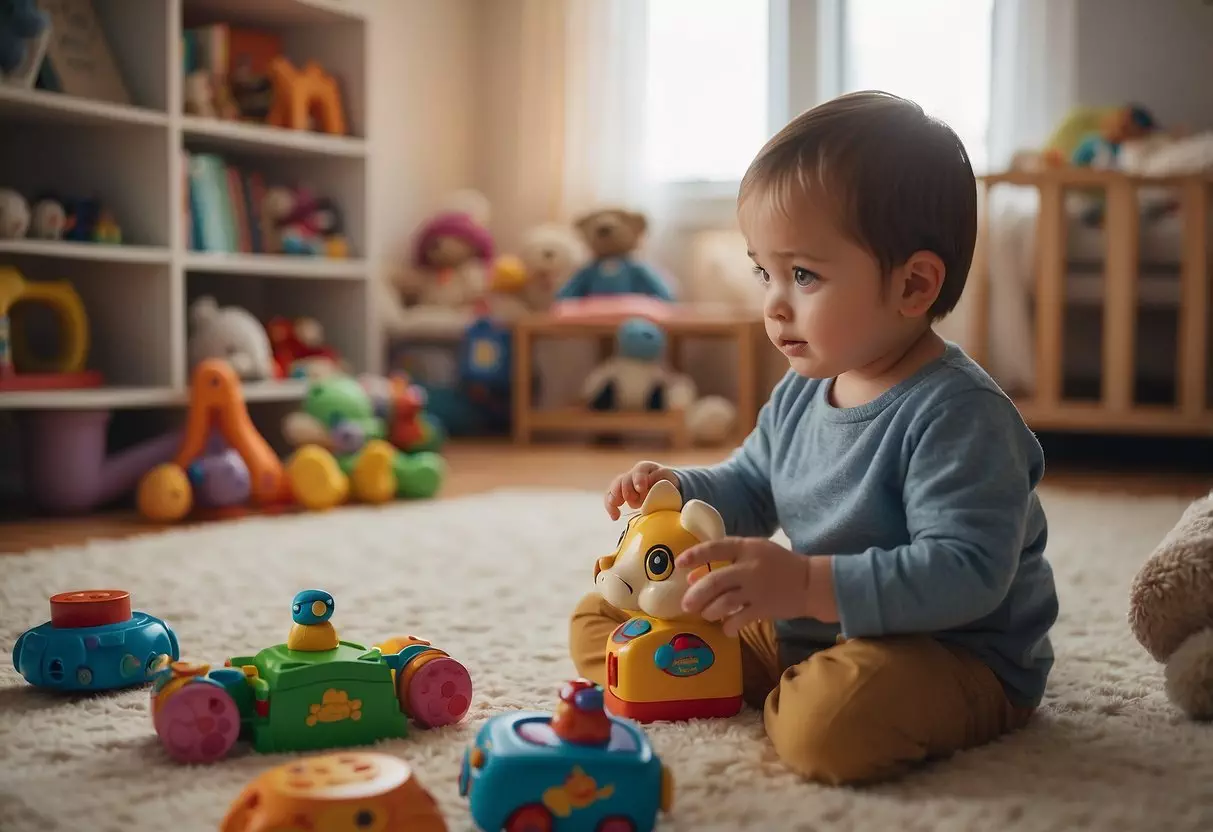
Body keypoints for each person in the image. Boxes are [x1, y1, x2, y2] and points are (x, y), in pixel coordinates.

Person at [568, 90, 1059, 786]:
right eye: (762, 271)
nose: (772, 302)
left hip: (948, 653)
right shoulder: (804, 387)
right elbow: (750, 483)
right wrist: (678, 490)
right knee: (607, 616)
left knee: (829, 728)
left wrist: (802, 582)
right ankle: (761, 678)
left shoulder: (959, 415)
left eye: (802, 274)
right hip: (809, 627)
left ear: (913, 285)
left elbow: (967, 574)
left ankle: (777, 692)